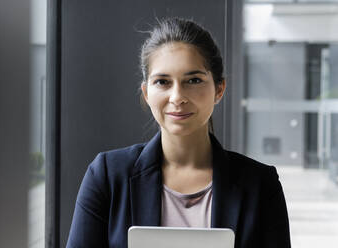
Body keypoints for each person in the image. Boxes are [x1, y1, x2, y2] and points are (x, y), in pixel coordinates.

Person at [66, 17, 291, 248]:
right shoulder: (107, 176)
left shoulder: (260, 185)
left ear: (219, 89)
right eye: (162, 82)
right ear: (146, 93)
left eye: (193, 80)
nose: (177, 97)